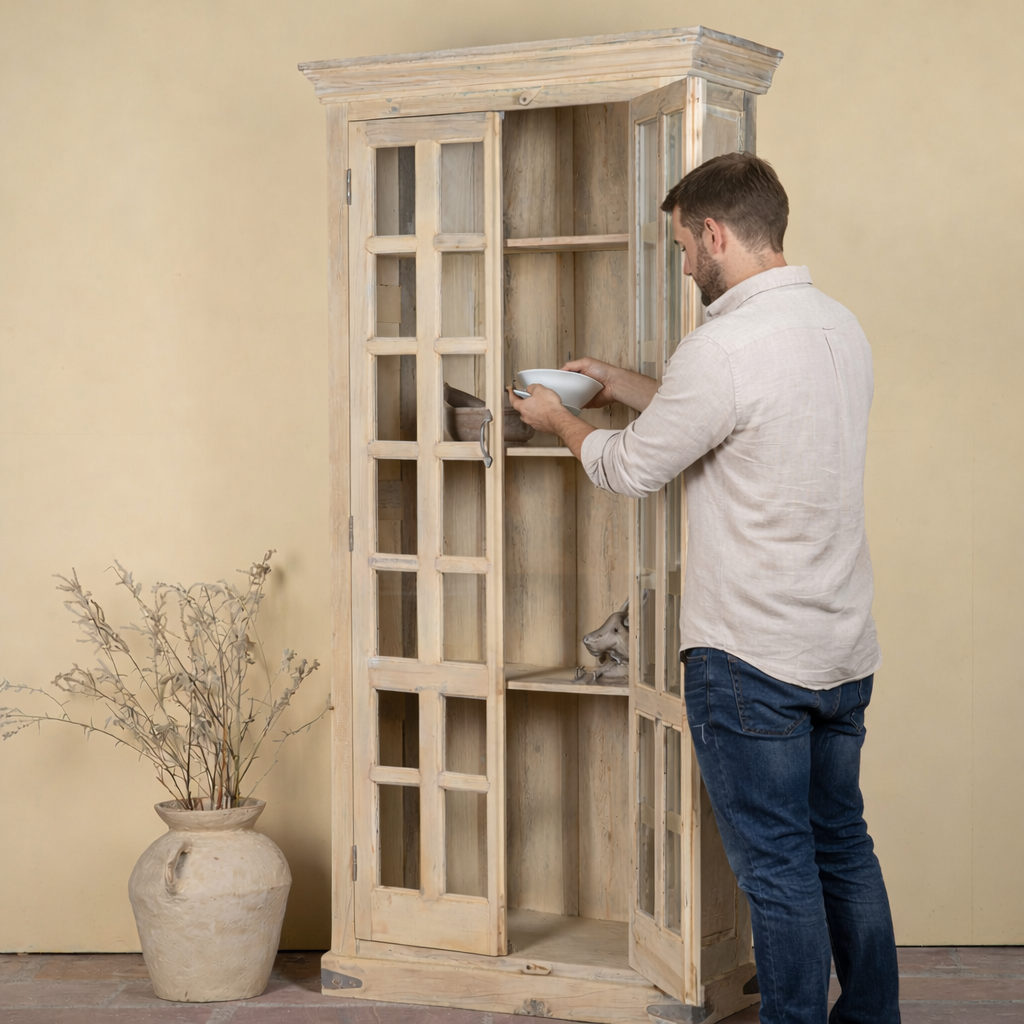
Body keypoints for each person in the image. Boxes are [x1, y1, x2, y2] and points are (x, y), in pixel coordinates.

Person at [508, 152, 900, 1024]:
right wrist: (616, 380)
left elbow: (627, 469)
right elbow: (722, 417)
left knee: (777, 866)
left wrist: (561, 417)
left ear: (715, 234)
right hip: (840, 646)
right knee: (841, 844)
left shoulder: (721, 345)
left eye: (685, 245)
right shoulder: (839, 326)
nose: (685, 262)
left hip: (752, 657)